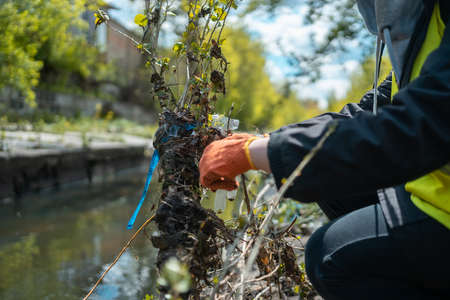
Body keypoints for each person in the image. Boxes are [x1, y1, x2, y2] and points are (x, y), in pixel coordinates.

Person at [198, 0, 450, 299]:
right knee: (336, 188)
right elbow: (369, 113)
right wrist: (268, 140)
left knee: (329, 257)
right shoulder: (421, 28)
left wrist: (259, 154)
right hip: (436, 192)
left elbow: (415, 128)